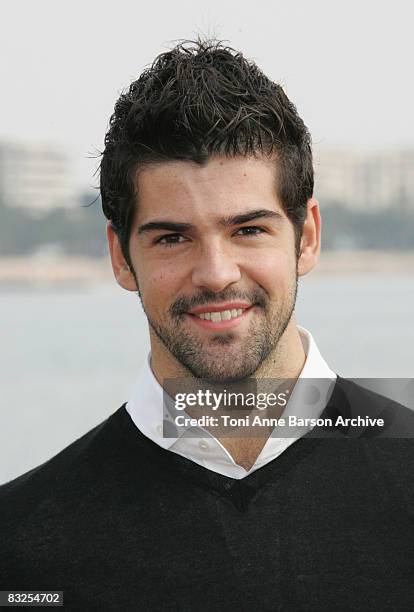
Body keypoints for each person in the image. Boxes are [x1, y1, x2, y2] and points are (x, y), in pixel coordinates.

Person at [1, 39, 413, 611]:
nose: (216, 275)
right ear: (121, 257)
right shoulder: (17, 546)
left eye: (248, 230)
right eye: (172, 237)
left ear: (308, 236)